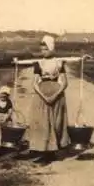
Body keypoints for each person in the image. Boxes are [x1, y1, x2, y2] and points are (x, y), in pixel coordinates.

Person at [29, 35, 70, 164]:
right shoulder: (38, 63)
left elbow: (64, 82)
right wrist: (44, 96)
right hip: (42, 96)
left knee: (56, 122)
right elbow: (35, 83)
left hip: (57, 96)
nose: (43, 52)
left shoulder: (59, 62)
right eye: (42, 50)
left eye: (46, 49)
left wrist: (55, 95)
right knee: (42, 122)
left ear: (52, 48)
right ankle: (44, 151)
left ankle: (52, 151)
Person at [0, 86, 14, 151]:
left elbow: (10, 111)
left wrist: (6, 117)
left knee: (7, 127)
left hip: (6, 118)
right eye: (2, 94)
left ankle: (5, 143)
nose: (3, 96)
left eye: (5, 95)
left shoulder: (8, 102)